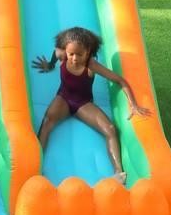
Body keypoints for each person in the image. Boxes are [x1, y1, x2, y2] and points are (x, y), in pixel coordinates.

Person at [32, 25, 152, 185]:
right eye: (71, 54)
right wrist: (50, 65)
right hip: (63, 98)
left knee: (110, 129)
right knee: (47, 122)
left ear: (88, 52)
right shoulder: (63, 54)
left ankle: (118, 172)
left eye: (79, 54)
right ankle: (35, 167)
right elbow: (56, 53)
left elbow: (120, 80)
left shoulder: (91, 65)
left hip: (83, 103)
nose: (74, 58)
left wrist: (133, 104)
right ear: (66, 50)